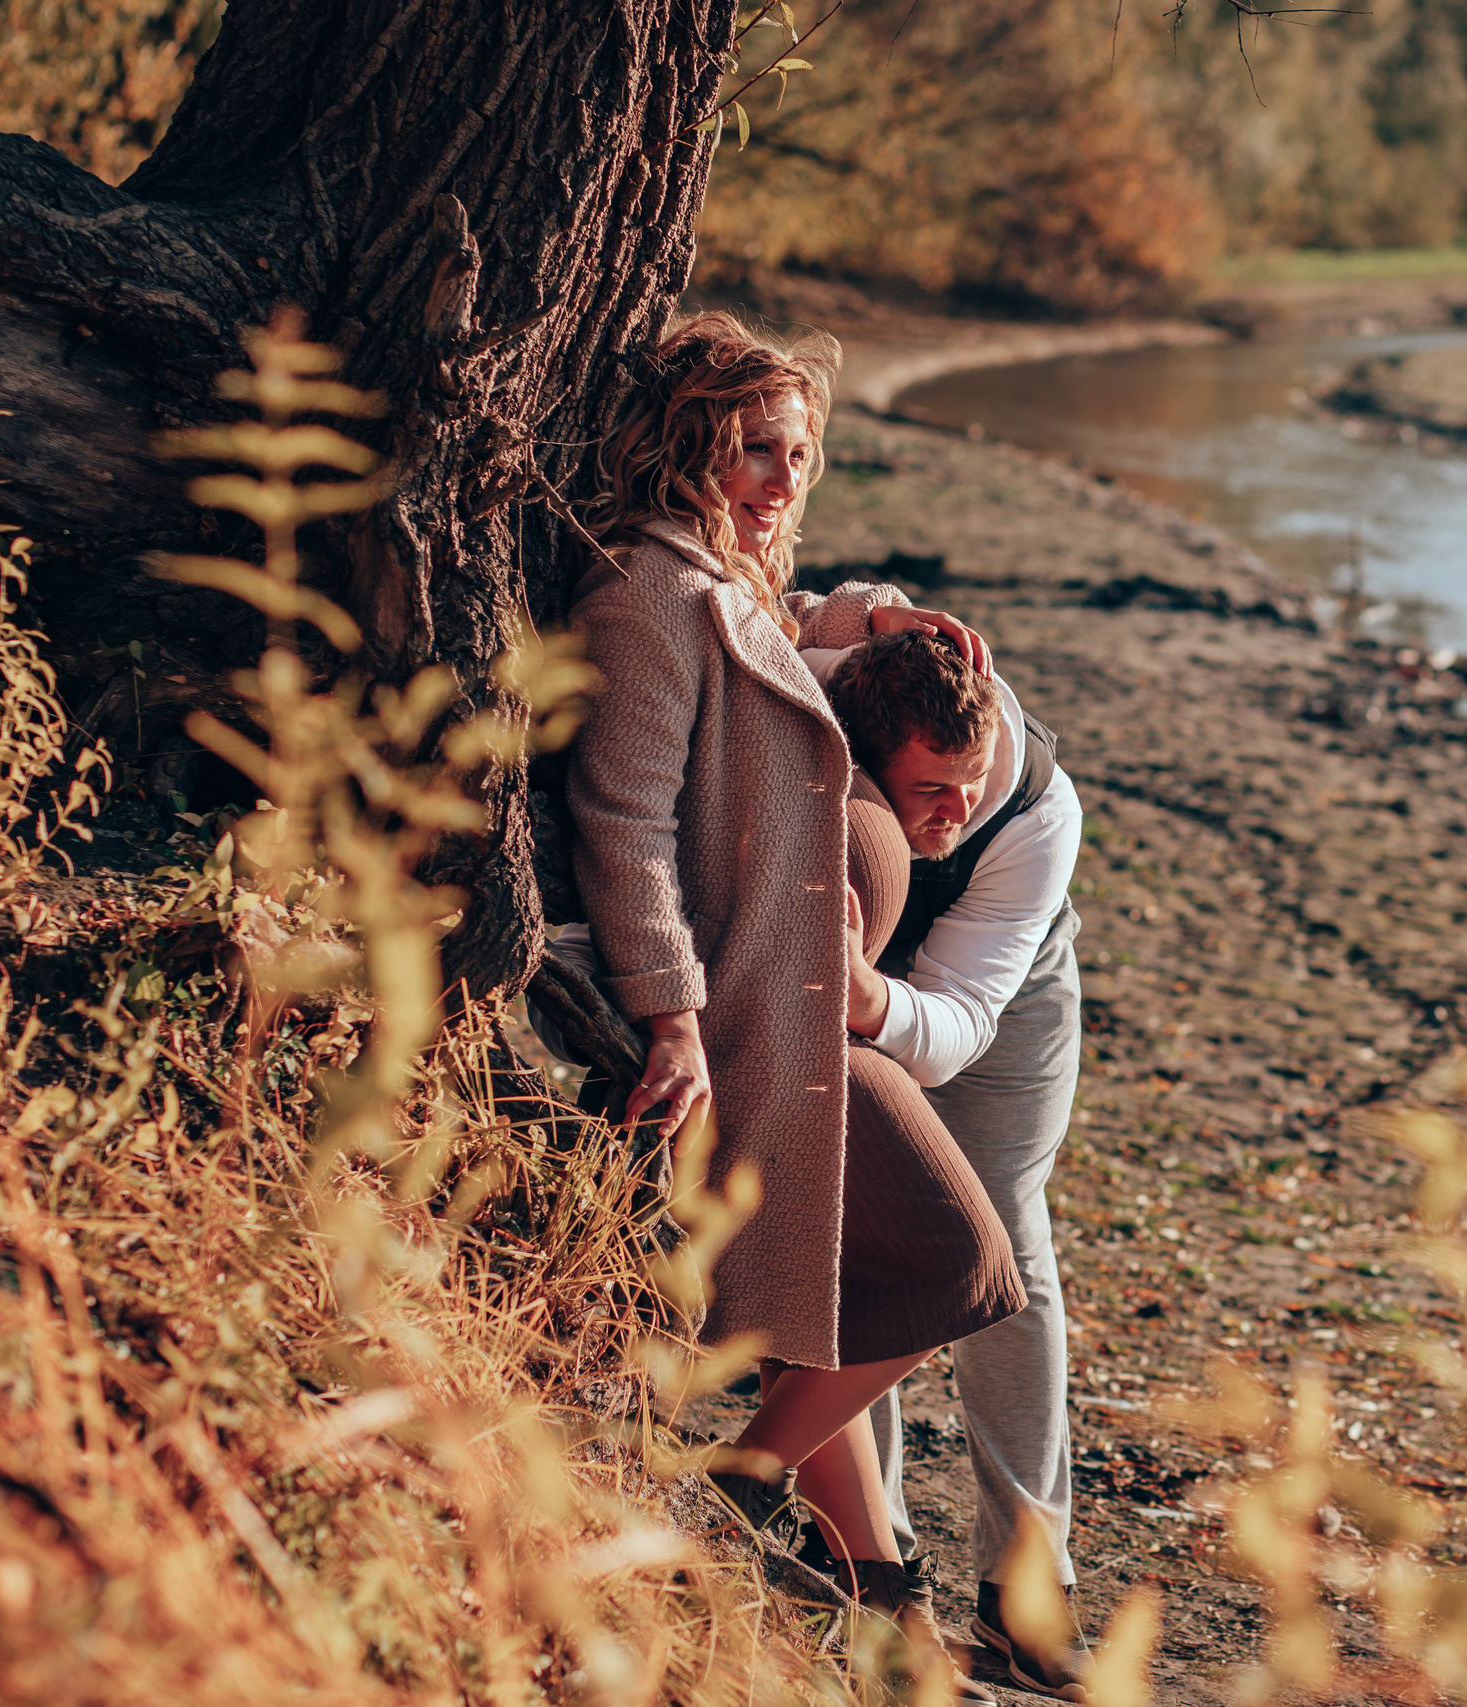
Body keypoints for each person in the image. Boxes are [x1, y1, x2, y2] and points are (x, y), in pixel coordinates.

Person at [563, 310, 1019, 1656]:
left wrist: (878, 611)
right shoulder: (649, 592)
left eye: (799, 452)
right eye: (754, 447)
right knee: (962, 1260)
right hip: (751, 1019)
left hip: (808, 1013)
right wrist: (673, 1015)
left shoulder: (733, 576)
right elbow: (625, 816)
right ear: (688, 441)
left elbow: (786, 622)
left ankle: (869, 1586)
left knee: (874, 1281)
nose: (779, 477)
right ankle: (736, 1497)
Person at [804, 630, 1089, 1699]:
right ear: (864, 761)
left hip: (994, 997)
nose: (952, 813)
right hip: (831, 949)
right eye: (928, 791)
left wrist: (869, 996)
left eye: (968, 788)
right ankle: (875, 1578)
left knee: (1003, 1250)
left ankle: (1028, 1597)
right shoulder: (824, 698)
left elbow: (960, 1021)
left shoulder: (1031, 816)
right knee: (848, 1246)